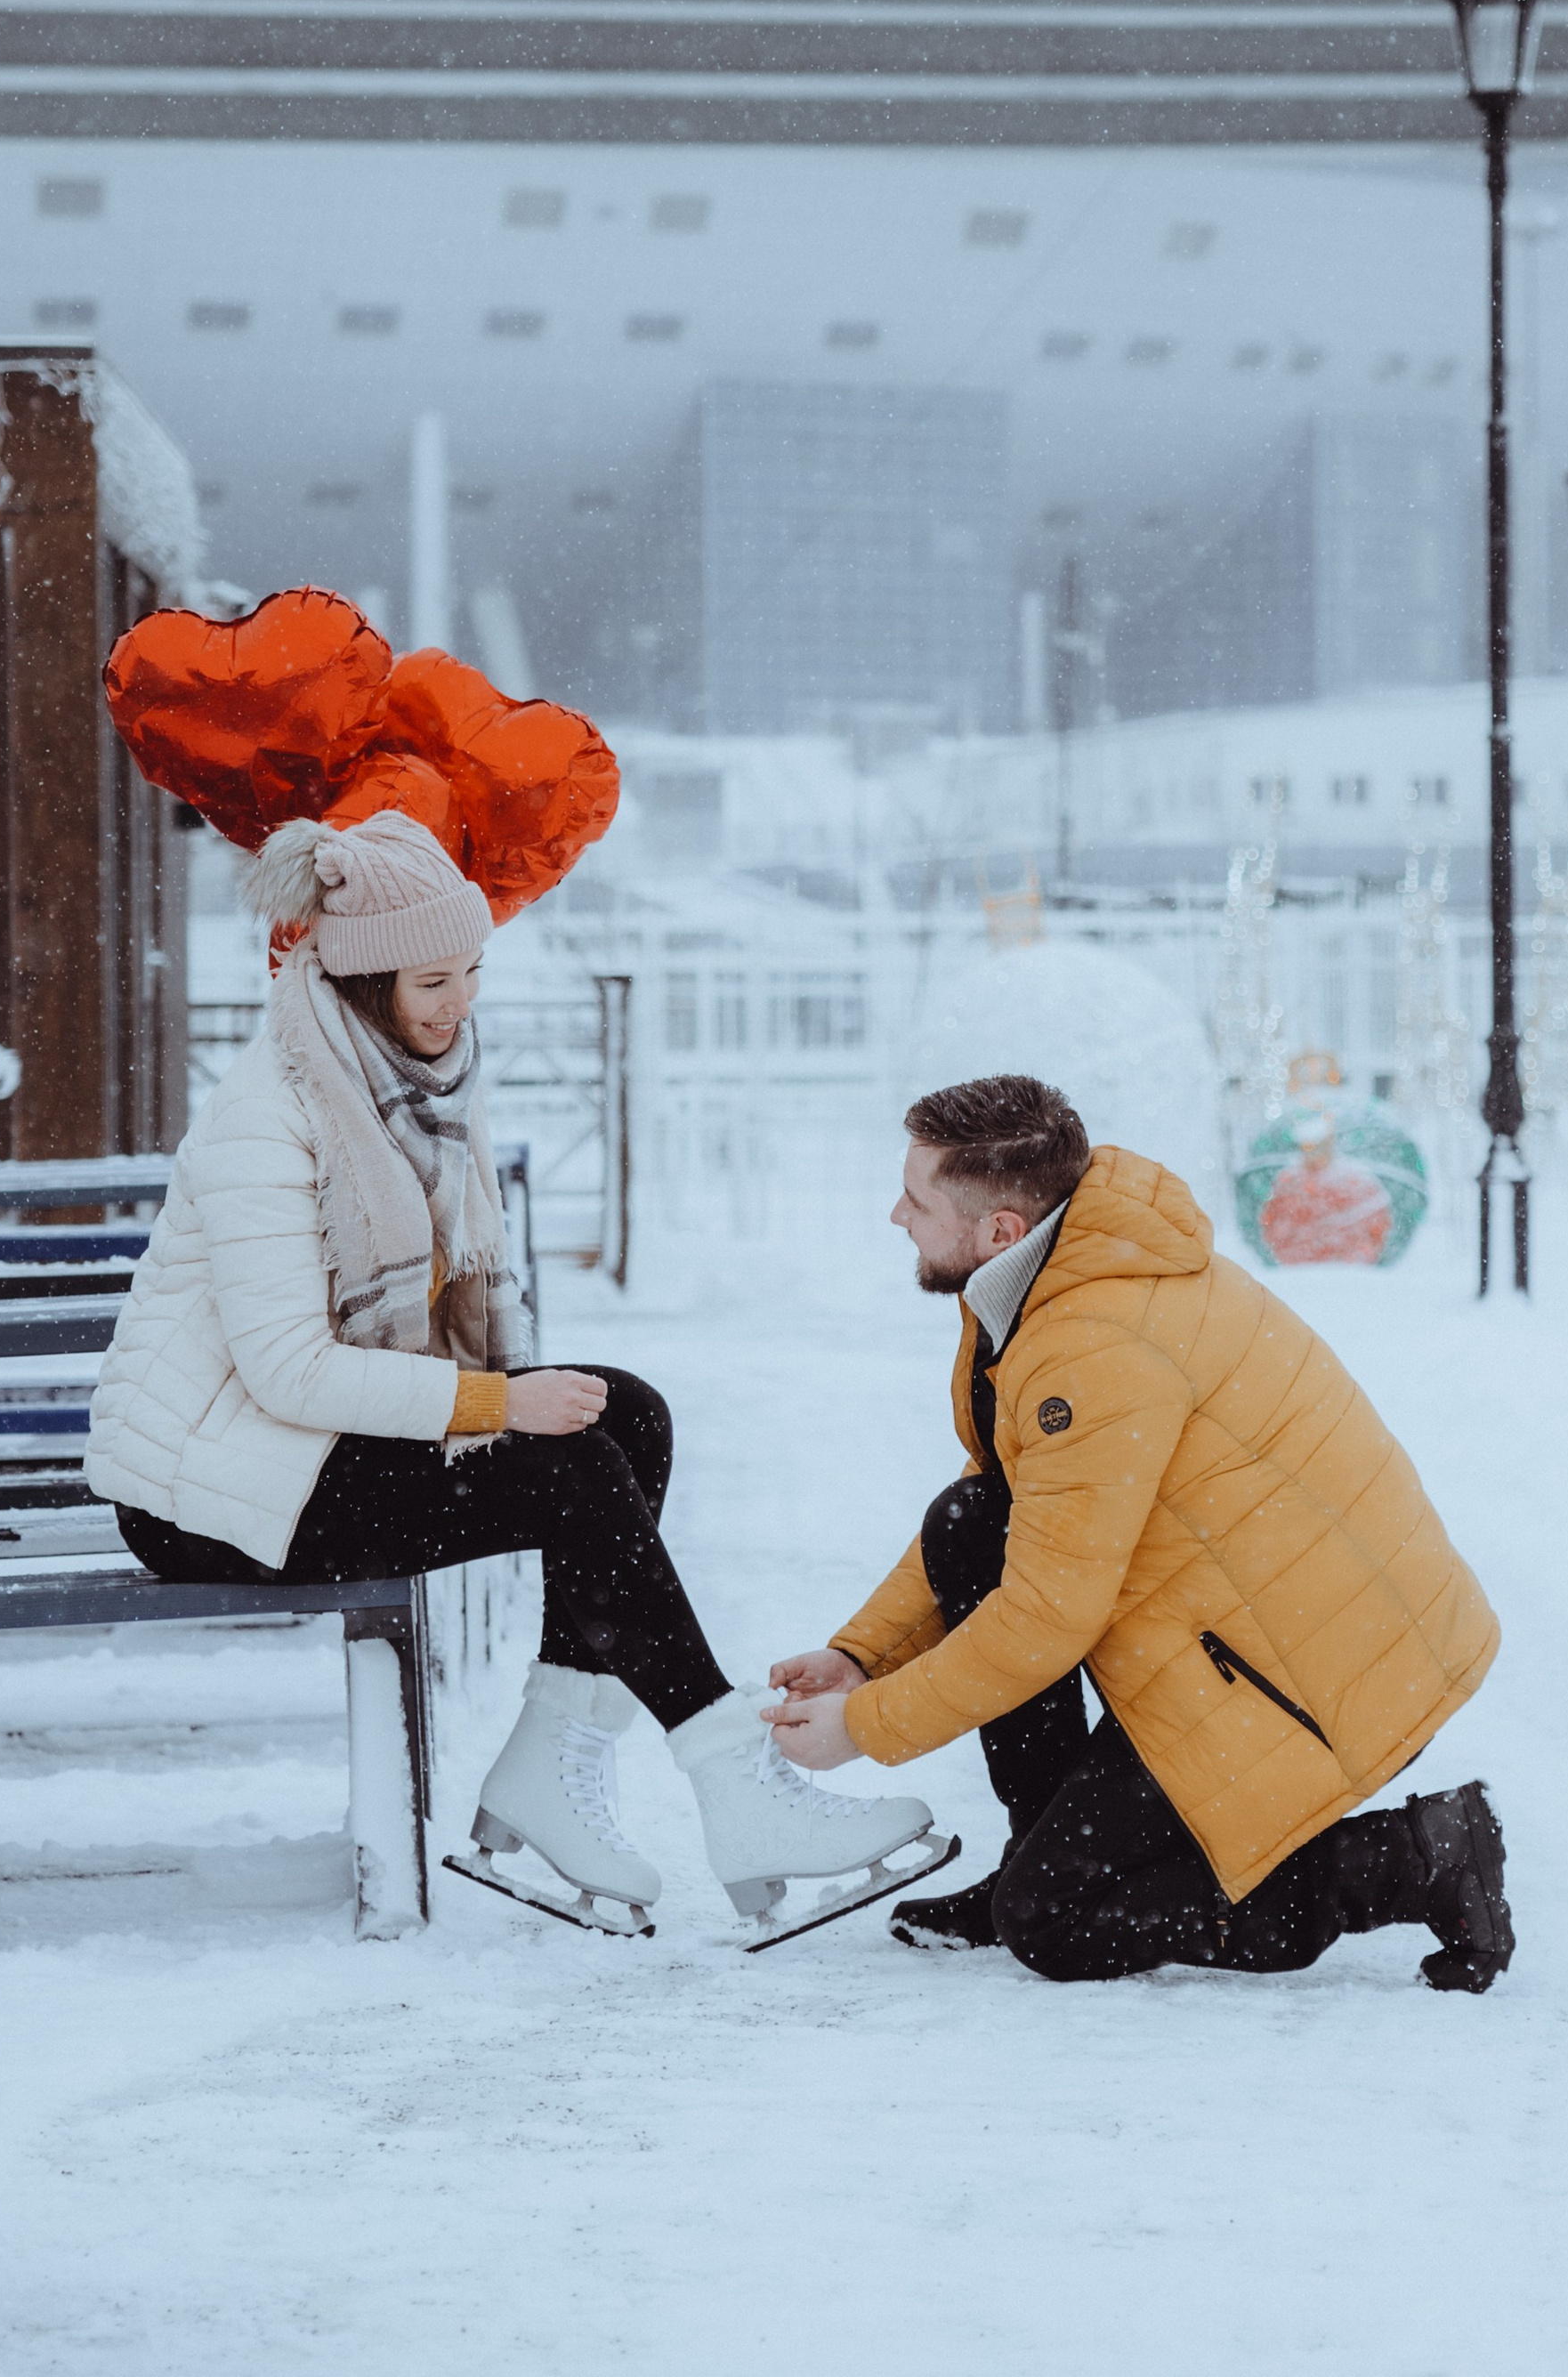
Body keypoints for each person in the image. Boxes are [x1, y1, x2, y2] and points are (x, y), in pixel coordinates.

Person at [85, 804, 938, 1936]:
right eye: (432, 982)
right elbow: (287, 1371)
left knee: (624, 1415)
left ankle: (552, 1759)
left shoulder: (414, 1086)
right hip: (211, 1486)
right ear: (360, 979)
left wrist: (517, 1396)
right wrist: (498, 1403)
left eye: (473, 971)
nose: (460, 1003)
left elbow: (459, 1298)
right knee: (568, 1468)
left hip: (303, 1450)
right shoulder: (272, 1114)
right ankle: (736, 1781)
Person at [767, 1071, 1514, 1990]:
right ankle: (1046, 1846)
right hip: (1242, 1627)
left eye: (915, 1199)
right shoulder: (1059, 1265)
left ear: (999, 1227)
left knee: (1055, 1922)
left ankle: (1414, 1857)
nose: (894, 1215)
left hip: (1310, 1675)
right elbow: (1004, 1495)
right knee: (972, 1525)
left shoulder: (1091, 1339)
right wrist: (862, 1657)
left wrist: (864, 1728)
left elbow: (1046, 1617)